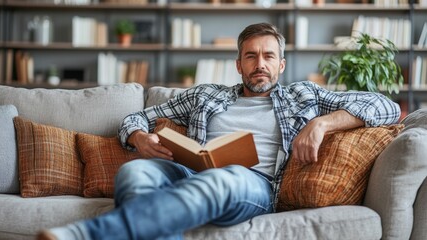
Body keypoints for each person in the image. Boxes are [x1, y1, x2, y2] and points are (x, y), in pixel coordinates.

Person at [37, 22, 400, 240]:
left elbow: (385, 106)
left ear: (281, 64)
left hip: (252, 184)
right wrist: (139, 139)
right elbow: (138, 117)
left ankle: (86, 235)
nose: (260, 64)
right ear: (238, 65)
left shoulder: (302, 95)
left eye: (268, 56)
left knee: (221, 179)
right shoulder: (205, 94)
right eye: (251, 56)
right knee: (133, 172)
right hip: (186, 169)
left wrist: (322, 123)